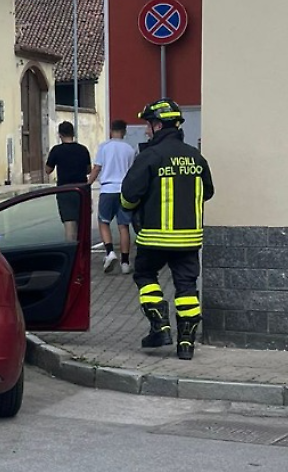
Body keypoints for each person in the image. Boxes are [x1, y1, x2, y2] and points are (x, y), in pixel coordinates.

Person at [120, 98, 215, 360]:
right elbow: (208, 192)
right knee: (186, 288)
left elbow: (128, 197)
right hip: (189, 238)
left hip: (154, 236)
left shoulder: (150, 156)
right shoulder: (197, 157)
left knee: (146, 275)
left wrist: (141, 206)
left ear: (159, 125)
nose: (147, 130)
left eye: (149, 125)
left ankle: (160, 327)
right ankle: (186, 344)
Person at [87, 119, 138, 274]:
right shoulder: (130, 149)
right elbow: (133, 172)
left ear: (111, 130)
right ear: (124, 131)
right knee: (123, 226)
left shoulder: (104, 147)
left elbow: (97, 168)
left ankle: (109, 252)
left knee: (103, 222)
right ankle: (125, 262)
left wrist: (87, 184)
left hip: (107, 189)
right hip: (123, 190)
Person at [44, 120, 91, 242]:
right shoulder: (83, 149)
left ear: (60, 135)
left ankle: (72, 254)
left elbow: (48, 170)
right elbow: (88, 170)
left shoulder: (56, 150)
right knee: (83, 224)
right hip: (82, 189)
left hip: (65, 190)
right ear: (73, 133)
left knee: (69, 223)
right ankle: (83, 253)